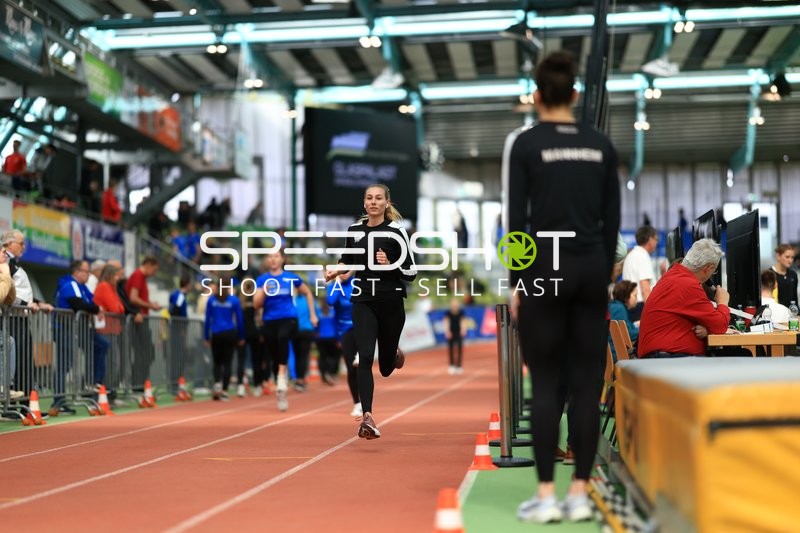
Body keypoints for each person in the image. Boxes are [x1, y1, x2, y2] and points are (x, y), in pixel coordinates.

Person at [507, 51, 620, 523]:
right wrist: (602, 274)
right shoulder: (600, 145)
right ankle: (579, 494)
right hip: (591, 269)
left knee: (547, 384)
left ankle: (547, 497)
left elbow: (517, 219)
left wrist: (518, 284)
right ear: (576, 94)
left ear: (536, 96)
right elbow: (612, 222)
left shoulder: (527, 144)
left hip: (544, 273)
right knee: (585, 385)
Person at [324, 183, 418, 440]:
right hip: (363, 299)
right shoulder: (354, 230)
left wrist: (391, 265)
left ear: (387, 202)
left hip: (391, 302)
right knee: (364, 357)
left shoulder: (397, 232)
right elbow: (347, 259)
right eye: (369, 198)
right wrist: (336, 270)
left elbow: (411, 272)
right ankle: (367, 417)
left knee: (385, 367)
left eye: (378, 198)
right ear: (364, 203)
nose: (373, 202)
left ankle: (393, 353)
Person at [637, 239, 730, 358]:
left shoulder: (673, 275)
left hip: (660, 356)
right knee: (739, 356)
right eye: (714, 271)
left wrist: (707, 329)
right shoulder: (688, 285)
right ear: (708, 268)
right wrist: (723, 302)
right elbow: (720, 325)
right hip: (668, 359)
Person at [253, 250, 318, 412]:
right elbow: (256, 304)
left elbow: (308, 292)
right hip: (269, 320)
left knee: (283, 338)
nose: (273, 259)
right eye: (270, 257)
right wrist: (263, 292)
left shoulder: (291, 277)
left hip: (289, 318)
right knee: (275, 355)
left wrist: (312, 314)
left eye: (276, 256)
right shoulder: (262, 279)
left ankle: (282, 376)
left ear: (282, 259)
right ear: (267, 260)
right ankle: (280, 381)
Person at [53, 260, 110, 412]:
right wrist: (97, 309)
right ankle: (58, 401)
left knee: (101, 344)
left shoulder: (82, 287)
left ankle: (93, 382)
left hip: (78, 329)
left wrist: (96, 308)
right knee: (64, 365)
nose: (89, 274)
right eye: (86, 271)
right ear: (77, 272)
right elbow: (80, 305)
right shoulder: (70, 285)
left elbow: (92, 302)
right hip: (64, 328)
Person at [326, 269, 361, 417]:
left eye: (346, 269)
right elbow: (330, 301)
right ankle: (357, 403)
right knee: (351, 369)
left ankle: (362, 354)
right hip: (345, 330)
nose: (343, 272)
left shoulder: (358, 283)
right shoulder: (334, 286)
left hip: (361, 327)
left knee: (362, 366)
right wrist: (337, 282)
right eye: (340, 270)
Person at [204, 280, 245, 401]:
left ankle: (217, 384)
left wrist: (206, 336)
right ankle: (225, 390)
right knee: (227, 362)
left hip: (216, 333)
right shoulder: (234, 300)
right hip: (229, 333)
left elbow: (207, 319)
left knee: (217, 362)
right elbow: (239, 320)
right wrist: (241, 336)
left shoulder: (212, 300)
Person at [621, 225, 658, 321]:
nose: (656, 242)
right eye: (656, 239)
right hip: (641, 307)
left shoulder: (632, 255)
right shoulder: (642, 255)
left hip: (631, 305)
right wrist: (653, 312)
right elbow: (645, 287)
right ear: (650, 239)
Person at [608, 280, 639, 359]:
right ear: (626, 296)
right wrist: (645, 329)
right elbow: (628, 334)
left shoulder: (615, 306)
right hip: (616, 354)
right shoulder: (619, 309)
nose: (637, 299)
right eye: (635, 295)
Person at [443, 297, 467, 374]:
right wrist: (447, 331)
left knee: (459, 348)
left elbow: (463, 321)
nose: (455, 304)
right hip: (451, 331)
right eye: (453, 303)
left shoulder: (461, 312)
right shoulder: (448, 312)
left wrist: (463, 329)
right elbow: (446, 321)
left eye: (456, 303)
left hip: (458, 331)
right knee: (450, 349)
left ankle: (459, 365)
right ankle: (452, 365)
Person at [770, 244, 798, 308]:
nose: (790, 260)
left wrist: (797, 313)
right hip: (776, 313)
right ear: (778, 256)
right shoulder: (770, 274)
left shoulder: (793, 274)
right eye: (787, 257)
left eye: (792, 257)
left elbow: (794, 298)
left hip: (791, 314)